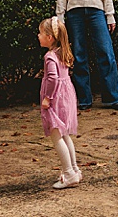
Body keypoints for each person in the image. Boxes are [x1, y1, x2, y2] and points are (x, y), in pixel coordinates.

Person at [38, 15, 82, 190]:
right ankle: (75, 169)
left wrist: (48, 97)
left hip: (55, 99)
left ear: (50, 38)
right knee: (65, 135)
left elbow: (53, 79)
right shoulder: (62, 53)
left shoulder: (50, 56)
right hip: (66, 96)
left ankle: (69, 173)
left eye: (41, 33)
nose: (38, 36)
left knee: (56, 136)